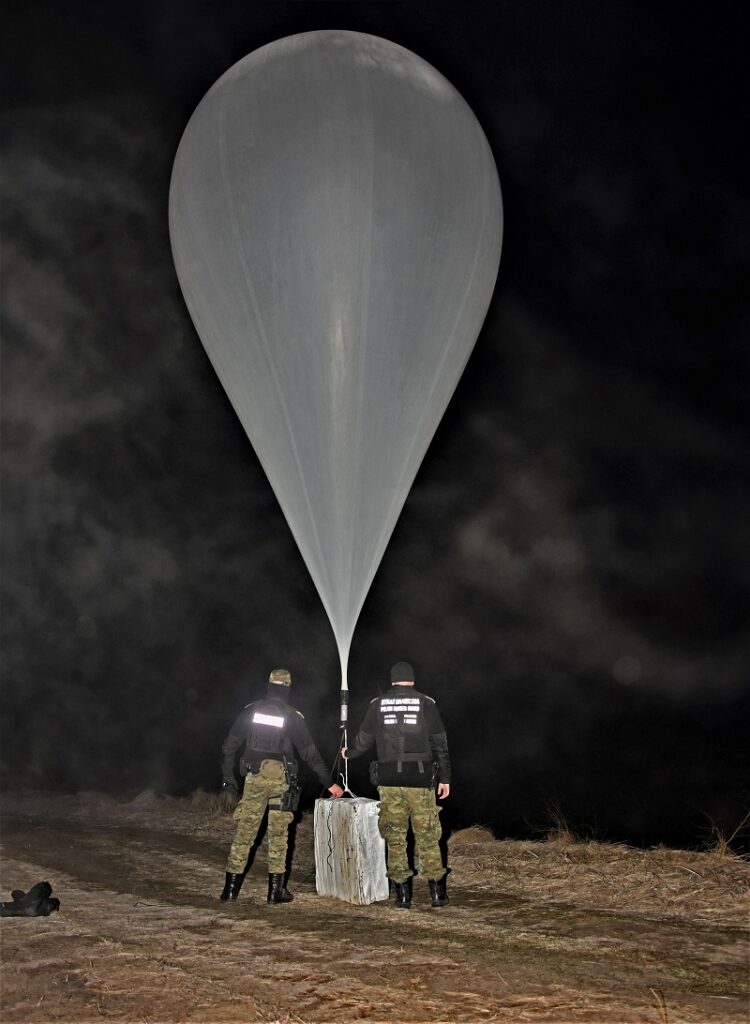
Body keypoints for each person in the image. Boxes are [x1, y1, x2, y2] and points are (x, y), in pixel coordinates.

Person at [220, 668, 344, 904]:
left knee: (244, 834)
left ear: (269, 685)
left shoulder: (251, 710)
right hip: (281, 781)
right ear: (287, 687)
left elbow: (229, 746)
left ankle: (230, 891)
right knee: (278, 837)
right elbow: (310, 755)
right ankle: (275, 892)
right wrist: (330, 785)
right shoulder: (292, 715)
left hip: (254, 779)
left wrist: (229, 781)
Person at [342, 661, 450, 909]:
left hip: (389, 782)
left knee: (395, 837)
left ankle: (402, 896)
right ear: (412, 680)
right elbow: (440, 745)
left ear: (392, 681)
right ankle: (436, 894)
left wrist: (349, 753)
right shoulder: (426, 703)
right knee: (427, 837)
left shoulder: (377, 704)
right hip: (421, 782)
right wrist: (445, 779)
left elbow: (364, 740)